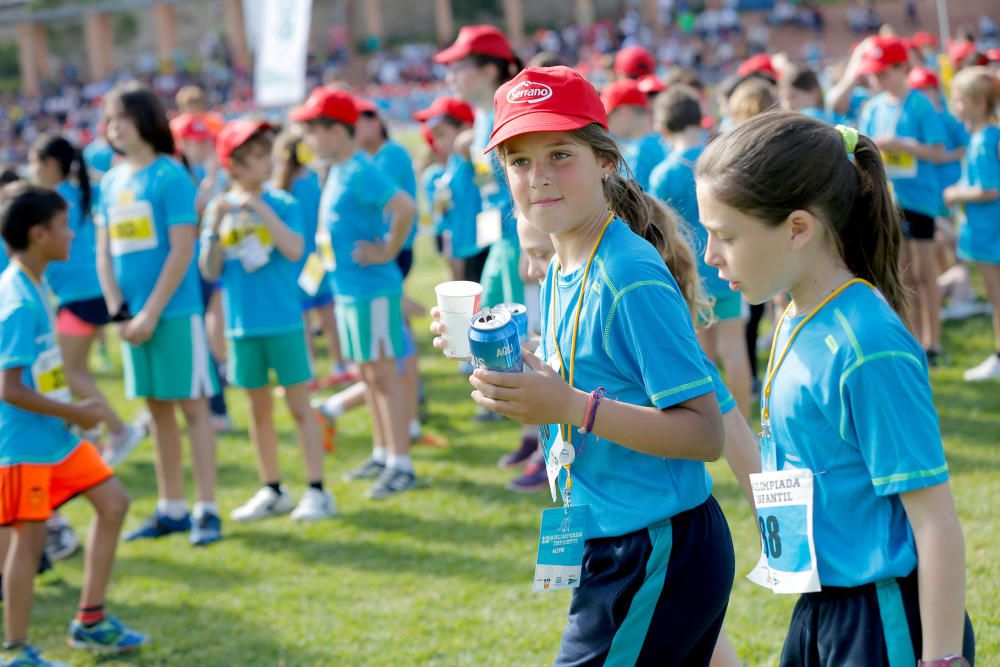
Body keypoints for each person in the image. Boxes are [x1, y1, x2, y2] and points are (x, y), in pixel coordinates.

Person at [442, 65, 734, 664]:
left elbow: (705, 432)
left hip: (655, 544)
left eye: (559, 154)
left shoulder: (627, 274)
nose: (538, 177)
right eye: (519, 162)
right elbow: (582, 378)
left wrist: (572, 407)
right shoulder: (561, 266)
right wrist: (511, 371)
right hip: (610, 539)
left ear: (605, 160)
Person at [697, 110, 975, 665]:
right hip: (821, 610)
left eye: (725, 235)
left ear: (798, 228)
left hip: (882, 620)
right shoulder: (796, 315)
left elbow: (935, 520)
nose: (710, 255)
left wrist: (942, 659)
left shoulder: (867, 345)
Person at [0, 183, 148, 666]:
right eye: (65, 226)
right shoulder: (18, 299)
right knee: (29, 539)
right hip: (24, 445)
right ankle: (17, 651)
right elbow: (9, 388)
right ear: (39, 234)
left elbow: (42, 370)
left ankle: (89, 620)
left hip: (54, 437)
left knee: (114, 503)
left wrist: (69, 410)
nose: (72, 234)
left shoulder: (38, 282)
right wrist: (78, 412)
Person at [96, 82, 222, 546]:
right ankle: (171, 509)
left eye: (121, 119)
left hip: (175, 314)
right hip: (132, 321)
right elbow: (105, 253)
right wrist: (119, 311)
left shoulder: (170, 176)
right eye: (108, 121)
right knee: (156, 410)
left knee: (193, 409)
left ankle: (206, 509)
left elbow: (182, 249)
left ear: (145, 121)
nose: (113, 129)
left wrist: (150, 313)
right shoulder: (110, 181)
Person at [199, 119, 336, 522]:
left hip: (284, 322)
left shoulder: (281, 202)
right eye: (254, 157)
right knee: (258, 412)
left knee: (299, 407)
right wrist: (215, 226)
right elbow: (209, 270)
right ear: (233, 167)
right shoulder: (218, 209)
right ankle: (272, 488)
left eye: (264, 154)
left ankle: (317, 490)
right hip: (243, 327)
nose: (265, 162)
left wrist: (258, 207)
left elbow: (295, 249)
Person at [292, 87, 418, 500]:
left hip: (372, 290)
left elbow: (404, 207)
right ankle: (383, 453)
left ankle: (401, 463)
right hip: (348, 291)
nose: (308, 139)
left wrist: (387, 249)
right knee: (368, 373)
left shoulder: (361, 169)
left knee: (384, 376)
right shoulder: (337, 169)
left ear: (334, 131)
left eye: (313, 130)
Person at [27, 135, 145, 466]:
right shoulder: (79, 191)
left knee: (68, 373)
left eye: (36, 163)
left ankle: (118, 430)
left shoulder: (50, 200)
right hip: (90, 291)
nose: (33, 171)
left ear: (50, 165)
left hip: (78, 295)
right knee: (76, 372)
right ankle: (95, 433)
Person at [651, 85, 752, 418]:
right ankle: (745, 424)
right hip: (728, 264)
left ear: (664, 129)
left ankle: (718, 421)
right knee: (733, 348)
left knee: (702, 355)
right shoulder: (720, 160)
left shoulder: (663, 173)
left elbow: (658, 230)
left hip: (690, 271)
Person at [856, 35, 949, 364]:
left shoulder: (920, 104)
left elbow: (939, 152)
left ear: (902, 68)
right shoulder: (873, 107)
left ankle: (933, 341)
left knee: (925, 273)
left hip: (920, 199)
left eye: (885, 72)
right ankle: (909, 340)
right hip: (888, 201)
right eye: (875, 73)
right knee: (901, 274)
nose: (879, 79)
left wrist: (903, 145)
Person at [434, 25, 524, 308]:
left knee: (524, 333)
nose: (450, 78)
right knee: (485, 326)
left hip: (523, 242)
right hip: (500, 240)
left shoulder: (509, 117)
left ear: (488, 71)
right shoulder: (482, 115)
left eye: (458, 67)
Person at [271, 129, 353, 387]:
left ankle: (308, 371)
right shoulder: (316, 181)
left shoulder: (280, 188)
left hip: (294, 261)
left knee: (303, 317)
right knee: (327, 311)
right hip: (318, 257)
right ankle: (340, 364)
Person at [945, 67, 1000, 381]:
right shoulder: (986, 136)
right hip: (987, 232)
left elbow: (989, 189)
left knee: (996, 298)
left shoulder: (983, 140)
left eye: (959, 99)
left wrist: (955, 193)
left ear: (979, 104)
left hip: (988, 234)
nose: (954, 105)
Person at [601, 79, 665, 192]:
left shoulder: (636, 153)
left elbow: (631, 205)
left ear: (624, 113)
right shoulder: (666, 140)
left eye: (608, 117)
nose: (607, 125)